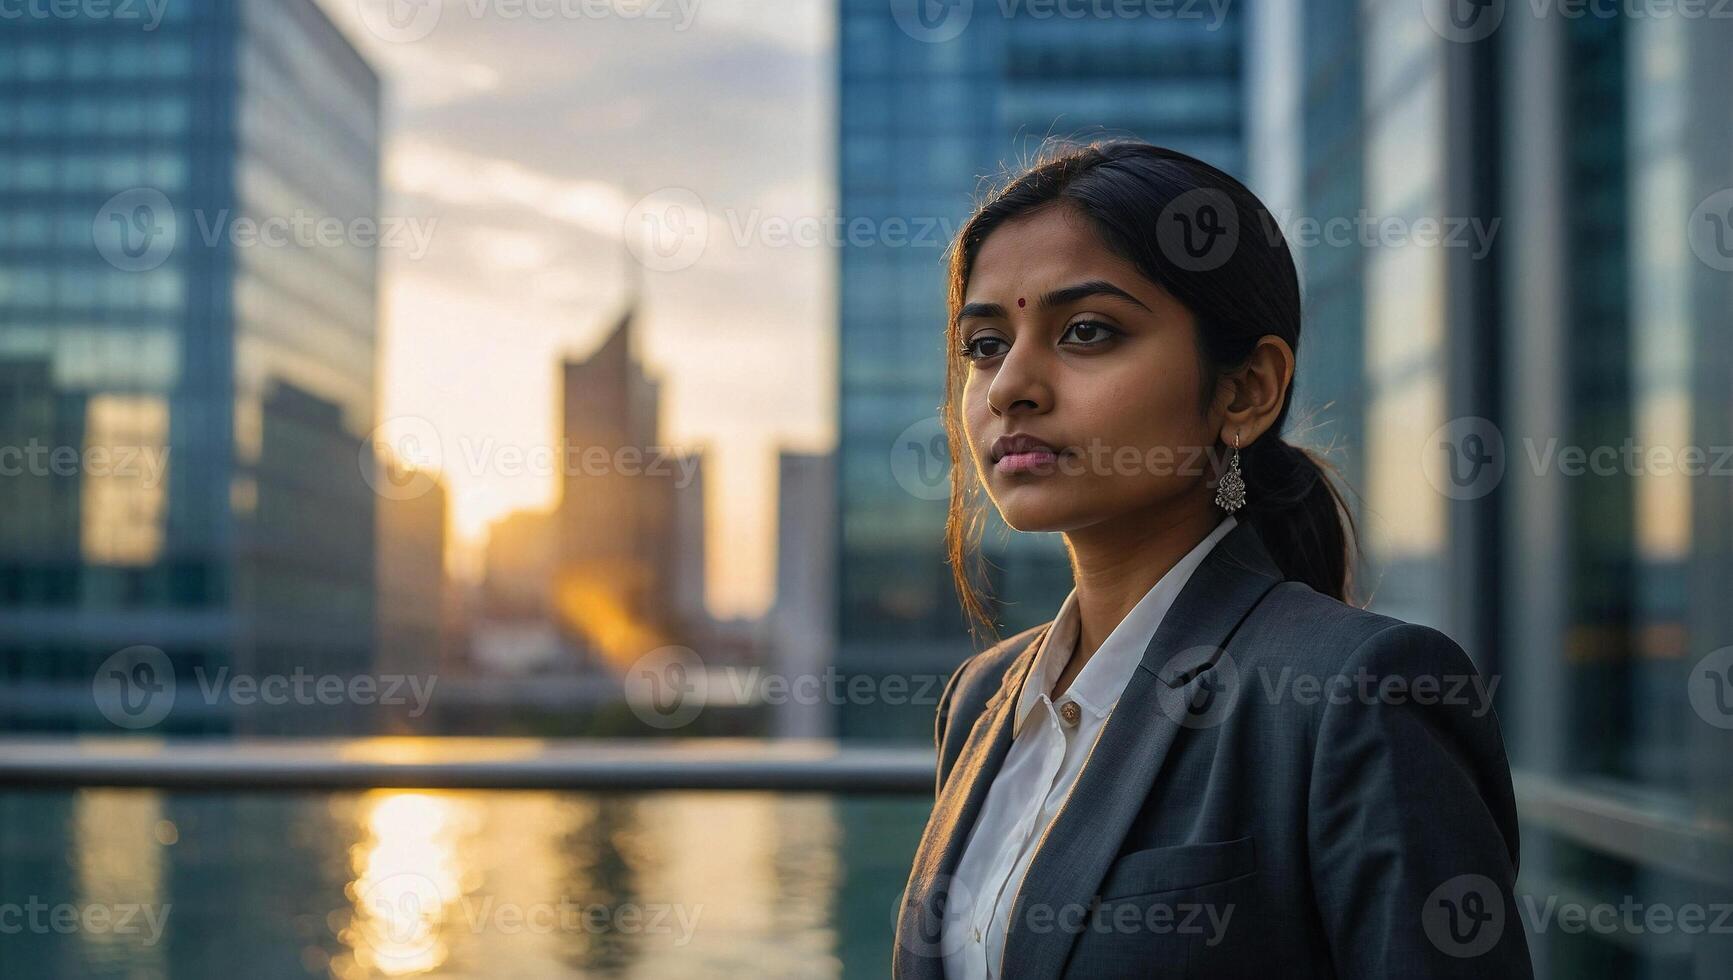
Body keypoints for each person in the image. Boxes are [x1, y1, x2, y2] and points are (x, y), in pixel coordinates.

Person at [892, 140, 1531, 979]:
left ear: (1245, 391)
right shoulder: (982, 697)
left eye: (1086, 331)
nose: (1010, 384)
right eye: (983, 344)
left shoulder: (1359, 693)